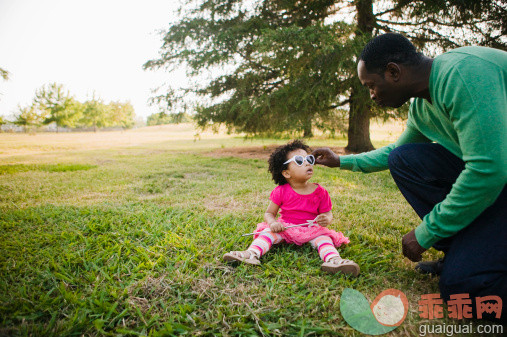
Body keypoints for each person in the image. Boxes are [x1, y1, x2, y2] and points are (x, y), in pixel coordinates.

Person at [313, 33, 506, 321]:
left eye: (371, 86)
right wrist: (341, 160)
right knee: (402, 160)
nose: (372, 95)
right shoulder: (421, 106)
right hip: (498, 180)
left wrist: (427, 231)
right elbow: (395, 151)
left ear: (393, 72)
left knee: (463, 292)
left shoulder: (462, 76)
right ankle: (460, 251)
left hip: (497, 178)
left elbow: (488, 171)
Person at [223, 140, 360, 276]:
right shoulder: (281, 191)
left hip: (312, 229)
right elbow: (269, 213)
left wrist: (326, 219)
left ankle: (334, 260)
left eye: (309, 159)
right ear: (286, 173)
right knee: (266, 234)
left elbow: (327, 213)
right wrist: (273, 223)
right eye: (300, 161)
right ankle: (251, 254)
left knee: (325, 240)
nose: (307, 163)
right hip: (285, 228)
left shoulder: (320, 192)